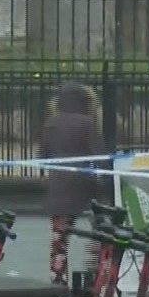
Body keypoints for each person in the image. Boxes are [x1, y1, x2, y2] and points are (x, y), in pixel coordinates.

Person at [38, 81, 108, 284]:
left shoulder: (50, 124)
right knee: (99, 228)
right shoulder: (87, 123)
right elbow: (99, 154)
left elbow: (43, 156)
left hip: (58, 185)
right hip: (85, 184)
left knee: (60, 235)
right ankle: (95, 272)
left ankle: (58, 276)